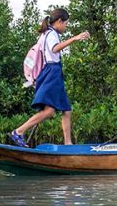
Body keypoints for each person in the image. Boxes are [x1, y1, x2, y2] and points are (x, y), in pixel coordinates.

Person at [10, 8, 90, 147]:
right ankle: (19, 131)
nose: (66, 27)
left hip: (53, 72)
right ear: (59, 21)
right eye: (66, 24)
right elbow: (54, 49)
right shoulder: (51, 34)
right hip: (52, 72)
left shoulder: (46, 33)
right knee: (49, 111)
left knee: (67, 110)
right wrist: (74, 38)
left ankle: (68, 144)